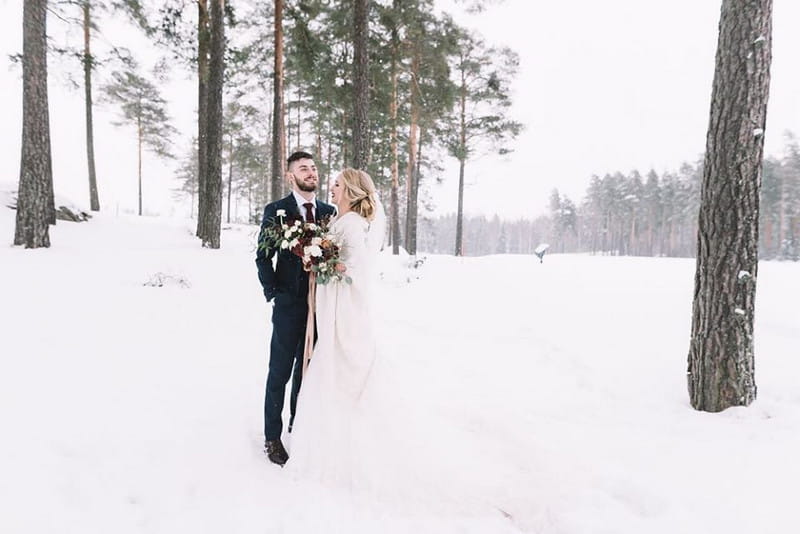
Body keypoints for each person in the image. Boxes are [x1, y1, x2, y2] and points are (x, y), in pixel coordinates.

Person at [286, 167, 386, 487]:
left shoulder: (354, 224)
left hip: (343, 309)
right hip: (330, 303)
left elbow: (356, 267)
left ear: (350, 190)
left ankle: (339, 449)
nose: (332, 187)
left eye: (337, 184)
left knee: (337, 368)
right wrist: (316, 257)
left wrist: (325, 261)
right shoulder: (340, 221)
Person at [255, 151, 336, 466]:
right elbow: (263, 256)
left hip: (321, 308)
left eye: (314, 168)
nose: (311, 172)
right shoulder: (276, 211)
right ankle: (272, 437)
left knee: (308, 370)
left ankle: (297, 425)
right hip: (288, 305)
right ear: (291, 176)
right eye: (304, 168)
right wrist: (274, 291)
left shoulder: (329, 213)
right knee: (280, 371)